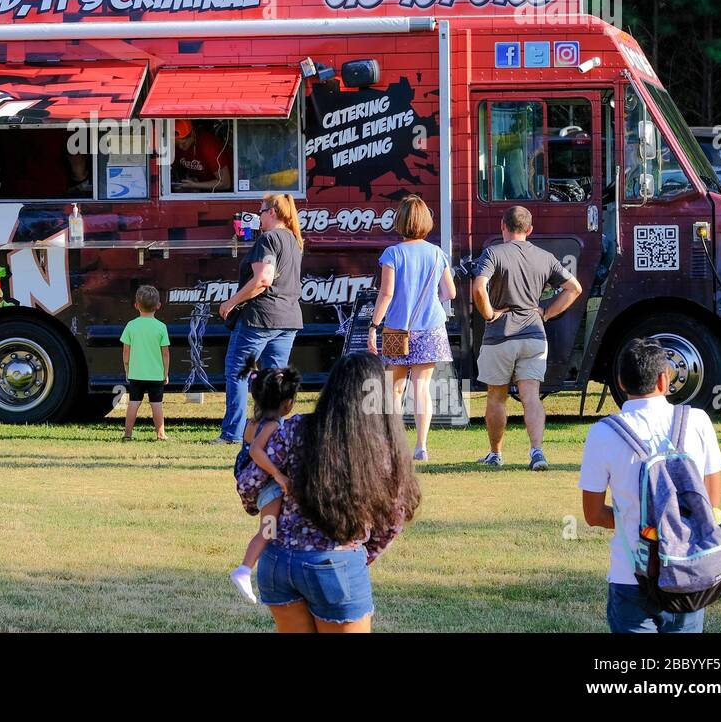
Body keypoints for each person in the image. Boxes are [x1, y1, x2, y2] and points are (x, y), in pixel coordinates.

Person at [236, 353, 419, 632]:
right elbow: (394, 517)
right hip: (337, 562)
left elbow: (249, 483)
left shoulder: (294, 427)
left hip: (278, 562)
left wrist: (264, 502)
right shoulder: (381, 446)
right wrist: (361, 555)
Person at [579, 339, 721, 632]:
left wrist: (641, 525)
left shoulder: (603, 433)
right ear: (664, 378)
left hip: (631, 574)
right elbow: (710, 502)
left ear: (620, 381)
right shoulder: (697, 421)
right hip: (688, 571)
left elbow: (593, 515)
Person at [471, 205, 583, 470]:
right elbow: (574, 288)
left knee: (496, 397)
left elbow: (478, 288)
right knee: (530, 396)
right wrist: (546, 313)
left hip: (500, 335)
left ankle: (496, 454)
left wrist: (489, 315)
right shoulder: (545, 257)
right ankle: (537, 452)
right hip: (534, 333)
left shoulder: (493, 253)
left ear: (503, 226)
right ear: (530, 230)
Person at [367, 195, 455, 461]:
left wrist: (374, 325)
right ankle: (421, 446)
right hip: (430, 328)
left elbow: (386, 294)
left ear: (400, 221)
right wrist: (430, 301)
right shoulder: (438, 253)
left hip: (397, 329)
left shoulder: (392, 254)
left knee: (394, 388)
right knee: (421, 388)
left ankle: (394, 444)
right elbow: (449, 292)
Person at [212, 193, 304, 445]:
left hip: (261, 318)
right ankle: (275, 431)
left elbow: (263, 280)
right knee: (276, 379)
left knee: (238, 372)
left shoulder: (269, 239)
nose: (258, 216)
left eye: (261, 211)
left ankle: (232, 433)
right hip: (289, 318)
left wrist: (232, 302)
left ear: (272, 212)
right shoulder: (293, 240)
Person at [230, 366, 301, 603]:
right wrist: (279, 476)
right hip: (268, 489)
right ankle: (244, 569)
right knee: (268, 531)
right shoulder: (271, 426)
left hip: (255, 485)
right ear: (287, 404)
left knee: (272, 531)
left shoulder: (253, 421)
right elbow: (255, 451)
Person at [120, 285, 170, 440]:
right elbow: (165, 353)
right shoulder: (161, 327)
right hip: (156, 374)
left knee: (134, 402)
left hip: (136, 373)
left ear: (136, 305)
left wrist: (127, 368)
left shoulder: (131, 326)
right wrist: (165, 373)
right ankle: (160, 434)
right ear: (158, 306)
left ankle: (128, 433)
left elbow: (126, 351)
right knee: (156, 404)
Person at [171, 119, 231, 192]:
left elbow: (225, 183)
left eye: (183, 143)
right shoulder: (176, 148)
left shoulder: (208, 145)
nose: (180, 147)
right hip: (200, 187)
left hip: (224, 193)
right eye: (177, 144)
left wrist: (194, 185)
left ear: (192, 134)